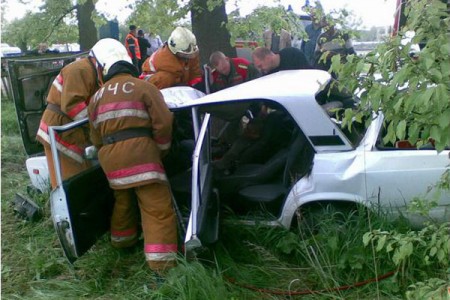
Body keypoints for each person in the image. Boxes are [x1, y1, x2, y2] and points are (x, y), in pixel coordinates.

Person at [87, 38, 177, 274]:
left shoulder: (95, 98)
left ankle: (122, 243)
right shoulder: (145, 88)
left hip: (111, 162)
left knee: (123, 201)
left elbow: (95, 137)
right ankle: (162, 266)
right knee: (156, 207)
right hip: (142, 156)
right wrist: (161, 150)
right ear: (131, 68)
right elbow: (164, 123)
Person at [36, 40, 105, 189]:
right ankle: (65, 209)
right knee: (69, 180)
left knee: (81, 174)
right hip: (60, 127)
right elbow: (73, 106)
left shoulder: (91, 70)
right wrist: (98, 124)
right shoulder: (80, 70)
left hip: (71, 128)